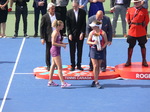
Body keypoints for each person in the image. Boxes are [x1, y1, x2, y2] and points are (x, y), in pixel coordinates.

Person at [125, 0, 149, 67]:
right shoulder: (130, 9)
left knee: (143, 45)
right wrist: (131, 25)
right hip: (132, 31)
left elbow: (147, 20)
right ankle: (129, 60)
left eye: (137, 2)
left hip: (141, 30)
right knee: (130, 46)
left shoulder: (144, 11)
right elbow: (128, 19)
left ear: (140, 3)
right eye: (134, 2)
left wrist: (142, 27)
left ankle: (144, 60)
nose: (135, 3)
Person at [48, 20, 71, 88]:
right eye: (62, 25)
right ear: (58, 26)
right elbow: (53, 43)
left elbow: (58, 41)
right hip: (55, 50)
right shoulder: (55, 33)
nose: (63, 27)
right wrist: (62, 45)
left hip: (56, 49)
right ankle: (62, 83)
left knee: (53, 65)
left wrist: (63, 43)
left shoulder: (58, 32)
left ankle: (50, 81)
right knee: (59, 67)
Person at [40, 2, 61, 71]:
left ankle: (56, 64)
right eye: (52, 9)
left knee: (57, 51)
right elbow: (42, 28)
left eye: (54, 8)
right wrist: (42, 38)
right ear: (48, 9)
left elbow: (61, 25)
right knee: (48, 51)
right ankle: (48, 65)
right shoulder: (45, 17)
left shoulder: (58, 15)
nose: (53, 10)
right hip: (49, 36)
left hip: (57, 36)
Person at [87, 20, 108, 89]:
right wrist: (93, 43)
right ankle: (96, 81)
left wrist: (102, 47)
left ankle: (95, 80)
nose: (92, 28)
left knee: (98, 66)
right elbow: (88, 41)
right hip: (93, 50)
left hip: (100, 50)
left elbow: (106, 42)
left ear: (97, 27)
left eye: (93, 27)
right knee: (95, 66)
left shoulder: (103, 33)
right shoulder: (91, 33)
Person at [66, 0, 86, 71]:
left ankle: (79, 65)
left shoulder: (83, 12)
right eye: (73, 6)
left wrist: (82, 33)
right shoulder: (69, 13)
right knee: (72, 50)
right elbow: (67, 25)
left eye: (75, 6)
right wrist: (69, 34)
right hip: (72, 35)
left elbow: (84, 24)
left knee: (79, 50)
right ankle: (73, 65)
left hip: (80, 35)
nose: (74, 7)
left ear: (78, 5)